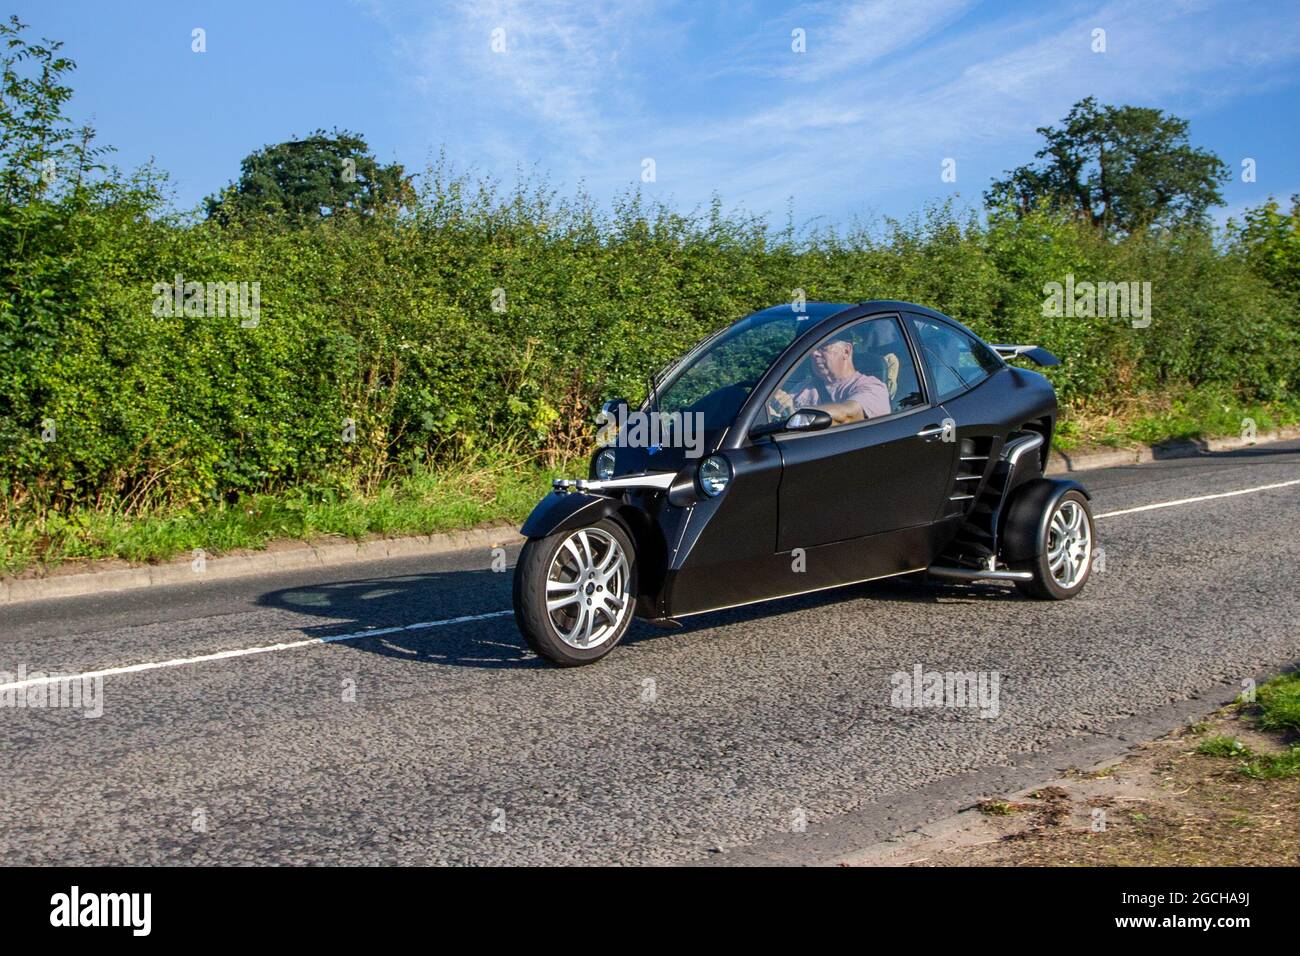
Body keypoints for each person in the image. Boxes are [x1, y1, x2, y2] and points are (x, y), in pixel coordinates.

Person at [767, 335, 890, 424]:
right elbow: (775, 413)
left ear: (846, 351)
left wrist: (796, 415)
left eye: (823, 346)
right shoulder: (803, 387)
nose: (814, 353)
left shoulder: (872, 387)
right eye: (812, 348)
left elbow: (846, 415)